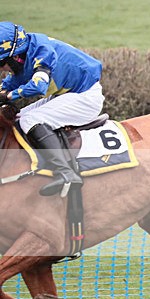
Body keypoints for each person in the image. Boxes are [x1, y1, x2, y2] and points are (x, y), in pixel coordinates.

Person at [0, 21, 104, 196]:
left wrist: (9, 97)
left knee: (30, 120)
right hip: (67, 95)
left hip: (85, 97)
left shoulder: (43, 52)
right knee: (18, 120)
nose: (2, 68)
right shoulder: (23, 57)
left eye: (1, 63)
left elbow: (38, 86)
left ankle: (66, 172)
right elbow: (9, 84)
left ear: (15, 56)